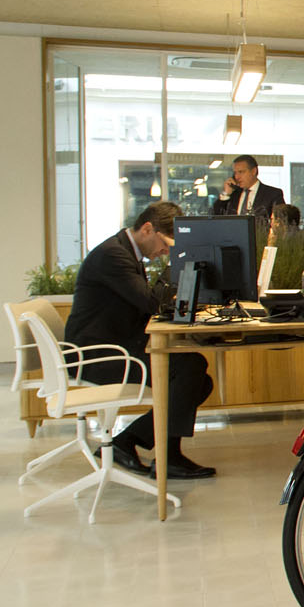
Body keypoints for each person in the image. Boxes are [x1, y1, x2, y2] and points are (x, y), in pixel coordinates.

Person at [64, 202, 217, 479]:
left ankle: (129, 442)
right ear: (147, 229)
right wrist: (179, 260)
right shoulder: (113, 255)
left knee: (198, 379)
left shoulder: (124, 252)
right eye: (166, 244)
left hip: (115, 346)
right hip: (96, 356)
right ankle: (165, 456)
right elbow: (151, 302)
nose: (165, 251)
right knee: (189, 368)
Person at [212, 154, 284, 234]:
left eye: (241, 172)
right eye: (235, 173)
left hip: (260, 240)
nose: (237, 177)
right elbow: (216, 216)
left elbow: (281, 223)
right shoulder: (234, 194)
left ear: (253, 171)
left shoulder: (272, 194)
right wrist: (226, 193)